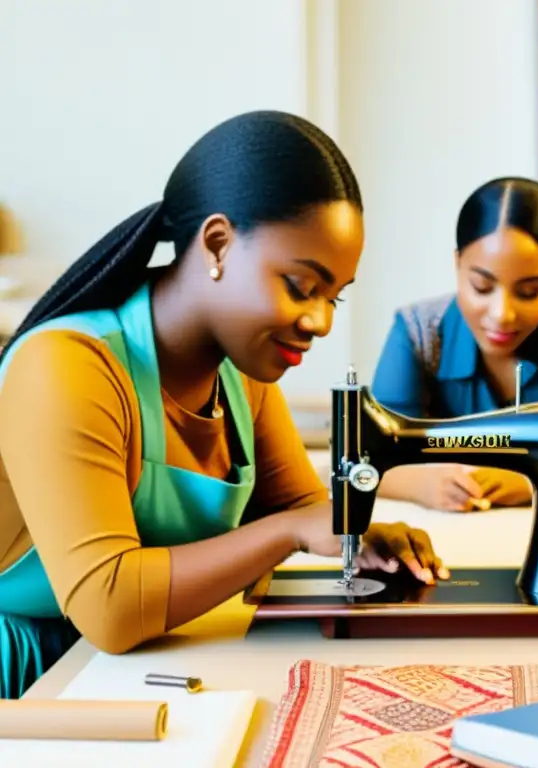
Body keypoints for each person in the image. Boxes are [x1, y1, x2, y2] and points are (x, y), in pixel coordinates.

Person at [0, 111, 447, 700]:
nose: (320, 321)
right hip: (32, 684)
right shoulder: (66, 365)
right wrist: (292, 530)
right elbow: (107, 605)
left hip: (127, 667)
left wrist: (358, 535)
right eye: (300, 285)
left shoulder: (240, 374)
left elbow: (299, 508)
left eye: (334, 296)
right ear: (217, 243)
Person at [371, 177, 538, 512]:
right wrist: (421, 483)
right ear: (457, 264)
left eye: (529, 292)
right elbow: (371, 453)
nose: (502, 314)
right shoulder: (418, 331)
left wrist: (528, 478)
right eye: (481, 286)